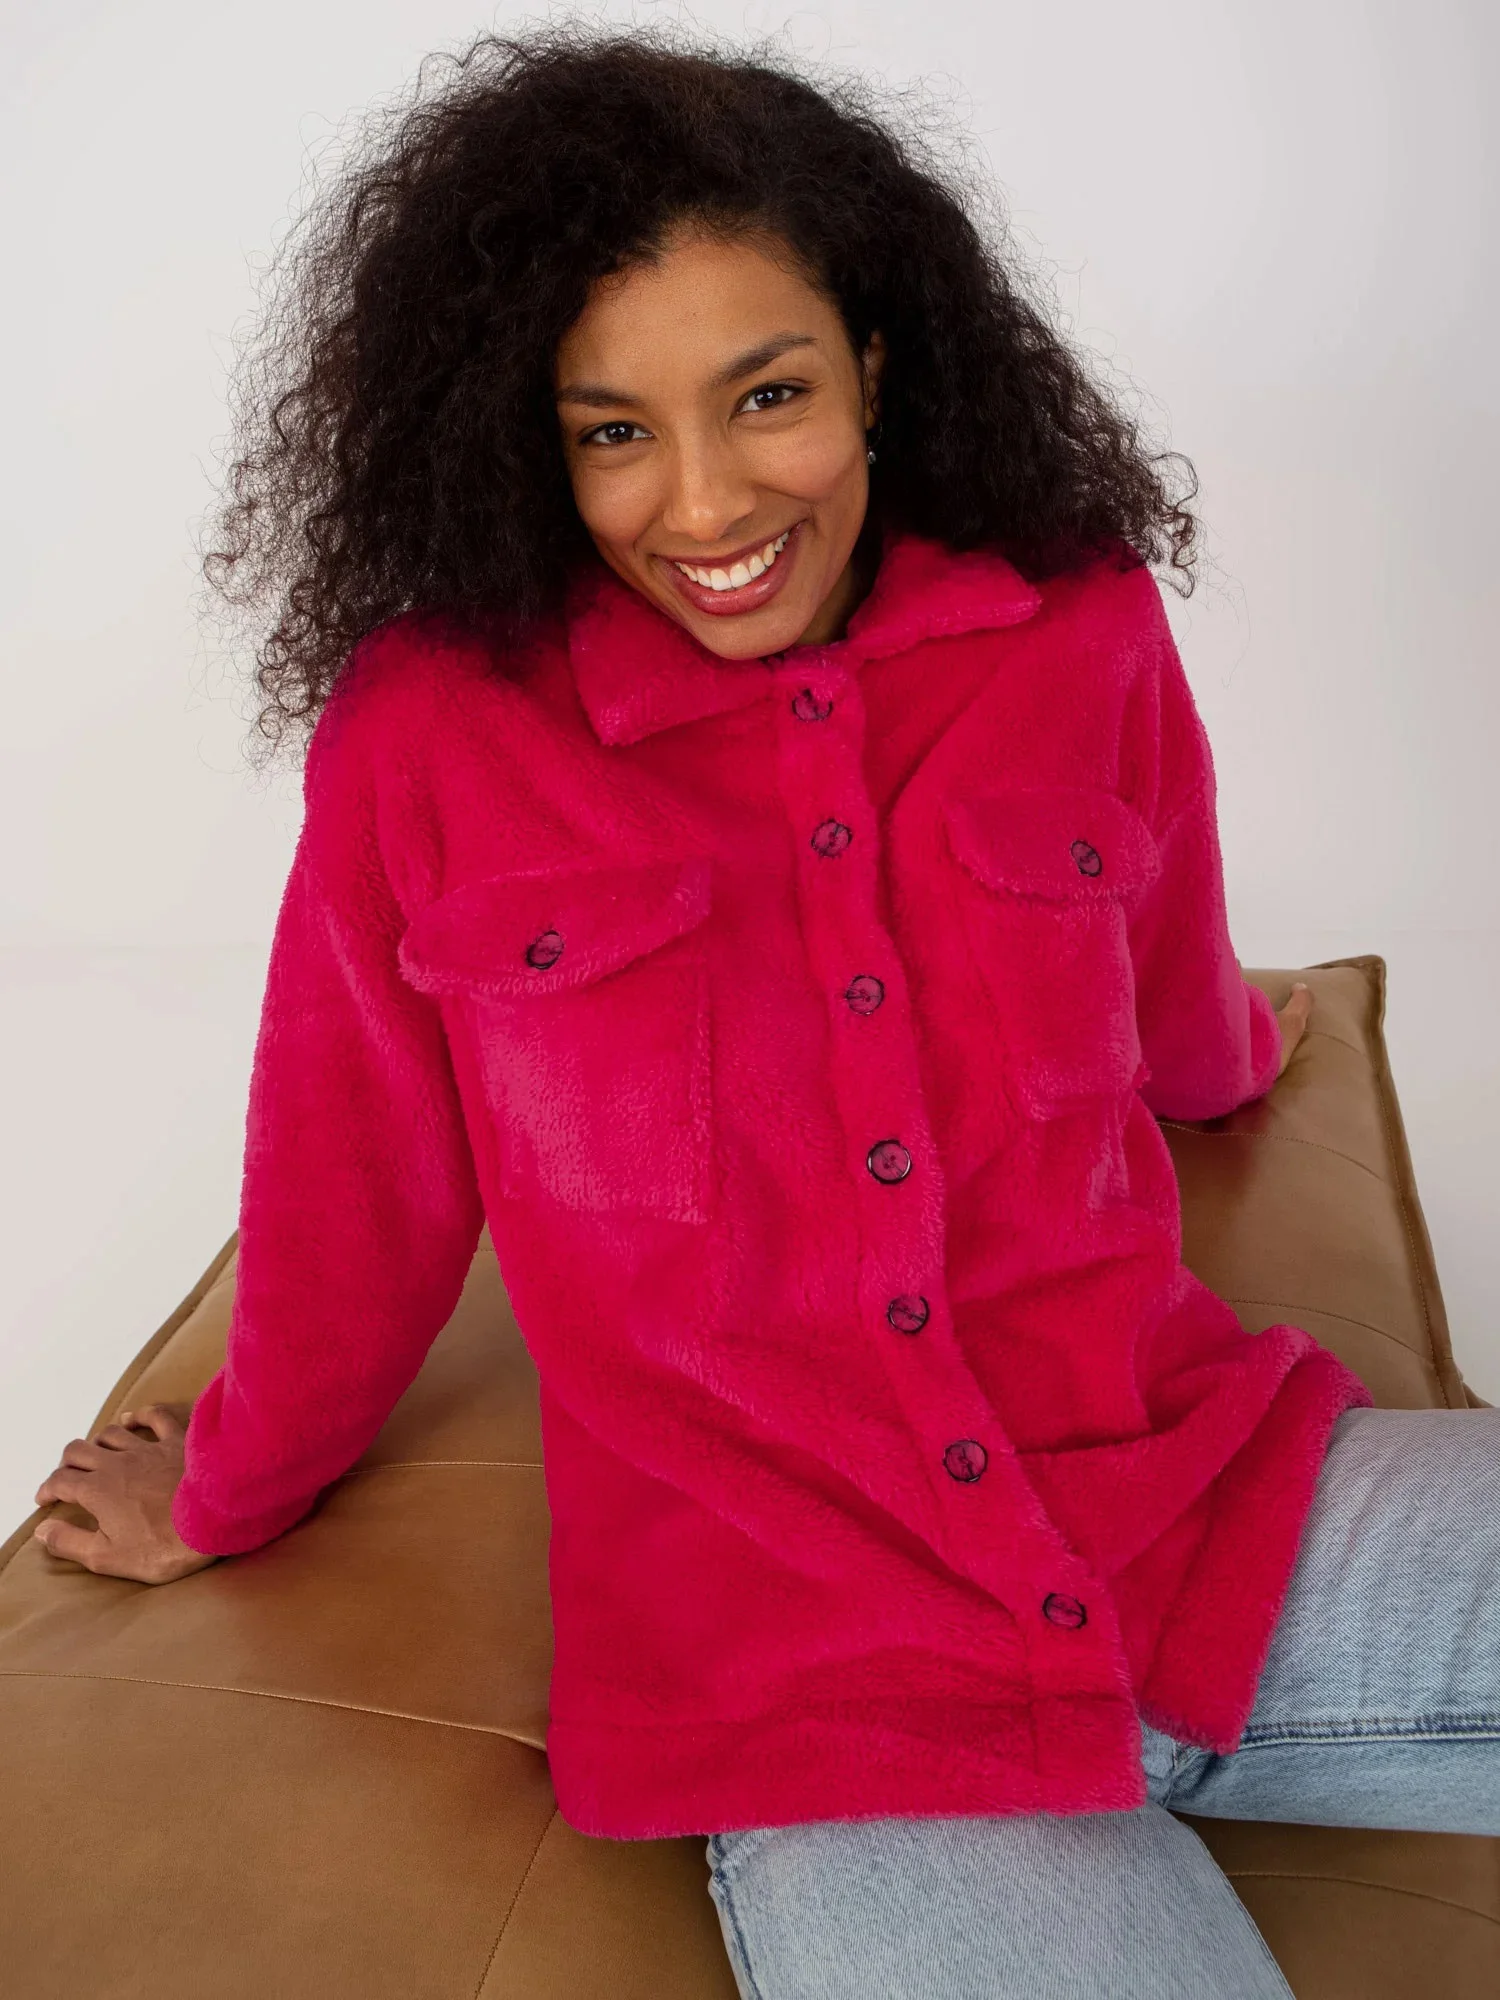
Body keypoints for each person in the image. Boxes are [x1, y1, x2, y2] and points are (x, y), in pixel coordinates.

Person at [29, 27, 1499, 1998]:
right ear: (528, 439)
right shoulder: (429, 738)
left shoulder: (1078, 621)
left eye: (770, 394)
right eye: (612, 430)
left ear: (876, 364)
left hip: (1211, 1517)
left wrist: (1230, 1060)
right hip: (811, 1689)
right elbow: (352, 1185)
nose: (705, 500)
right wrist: (222, 1489)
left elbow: (1163, 937)